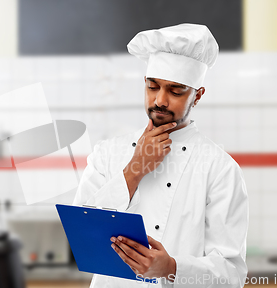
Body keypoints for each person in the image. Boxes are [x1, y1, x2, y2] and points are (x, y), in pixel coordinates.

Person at [73, 23, 249, 288]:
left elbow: (231, 274)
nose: (160, 101)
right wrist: (134, 169)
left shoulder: (219, 168)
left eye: (176, 91)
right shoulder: (108, 154)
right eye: (152, 87)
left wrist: (171, 268)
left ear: (197, 96)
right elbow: (81, 233)